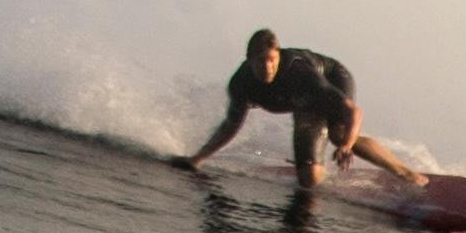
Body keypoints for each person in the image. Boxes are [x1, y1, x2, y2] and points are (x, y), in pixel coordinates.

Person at [179, 28, 427, 195]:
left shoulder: (300, 74)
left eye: (272, 60)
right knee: (309, 181)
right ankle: (317, 163)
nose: (267, 67)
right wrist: (198, 158)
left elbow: (353, 111)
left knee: (338, 135)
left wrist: (347, 146)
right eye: (260, 61)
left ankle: (407, 173)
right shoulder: (241, 84)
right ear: (248, 60)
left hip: (332, 77)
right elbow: (231, 125)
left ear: (278, 56)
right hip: (302, 103)